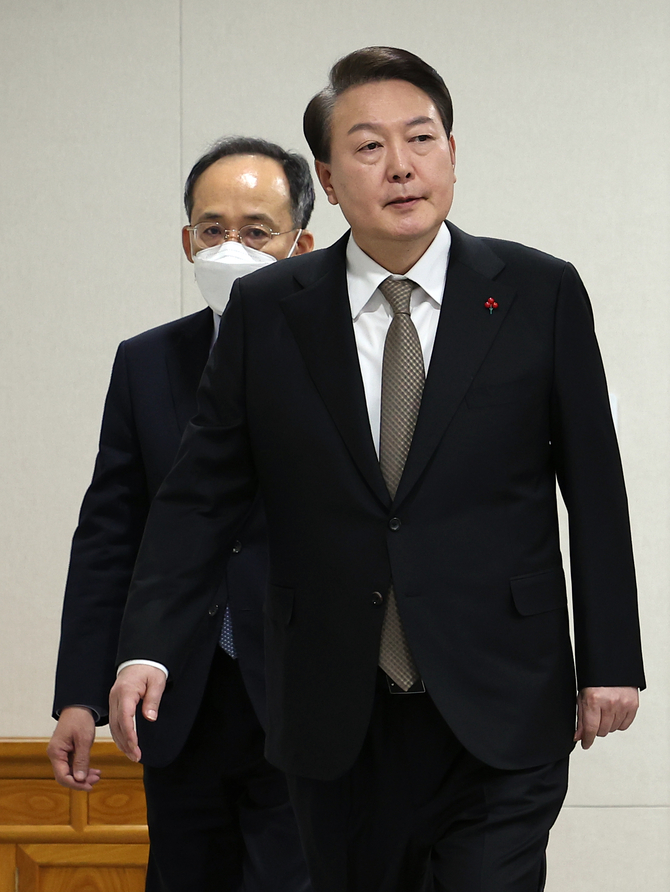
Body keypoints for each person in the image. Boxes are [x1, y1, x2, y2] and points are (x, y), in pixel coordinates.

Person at [109, 48, 645, 892]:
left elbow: (596, 485)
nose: (401, 165)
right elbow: (199, 498)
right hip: (333, 706)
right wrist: (148, 645)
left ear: (452, 154)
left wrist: (612, 656)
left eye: (421, 138)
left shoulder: (538, 292)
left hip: (501, 693)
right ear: (327, 178)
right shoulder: (269, 311)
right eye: (368, 146)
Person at [48, 136, 315, 892]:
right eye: (213, 228)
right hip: (178, 691)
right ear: (187, 240)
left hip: (304, 688)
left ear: (301, 245)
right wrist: (81, 693)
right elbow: (110, 533)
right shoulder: (147, 362)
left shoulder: (345, 360)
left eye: (256, 231)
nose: (232, 247)